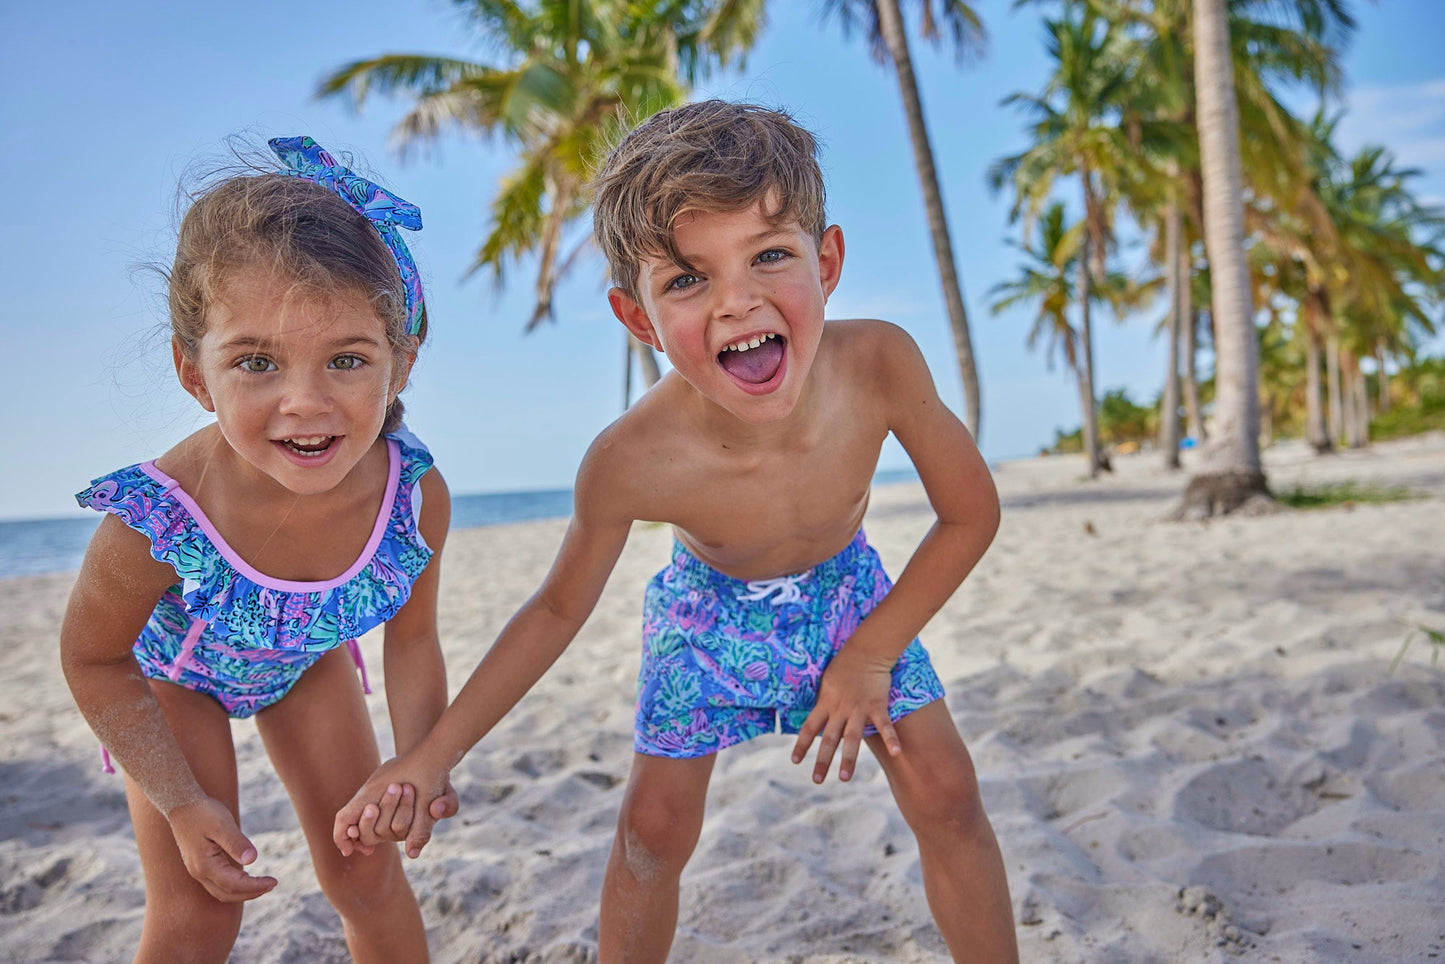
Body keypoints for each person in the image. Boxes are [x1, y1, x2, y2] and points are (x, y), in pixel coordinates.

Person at [336, 100, 1019, 962]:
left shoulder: (880, 363)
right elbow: (553, 611)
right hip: (705, 619)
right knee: (651, 836)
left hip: (849, 598)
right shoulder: (630, 459)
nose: (738, 302)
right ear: (637, 319)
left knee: (948, 791)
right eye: (688, 279)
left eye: (770, 255)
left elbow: (969, 513)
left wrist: (871, 655)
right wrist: (433, 753)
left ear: (828, 259)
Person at [60, 136, 458, 963]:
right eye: (256, 363)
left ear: (401, 363)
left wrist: (421, 760)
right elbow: (94, 661)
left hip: (306, 665)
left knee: (368, 876)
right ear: (195, 374)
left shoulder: (411, 500)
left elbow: (412, 641)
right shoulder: (160, 518)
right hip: (173, 683)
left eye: (347, 359)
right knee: (203, 912)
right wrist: (178, 802)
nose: (304, 404)